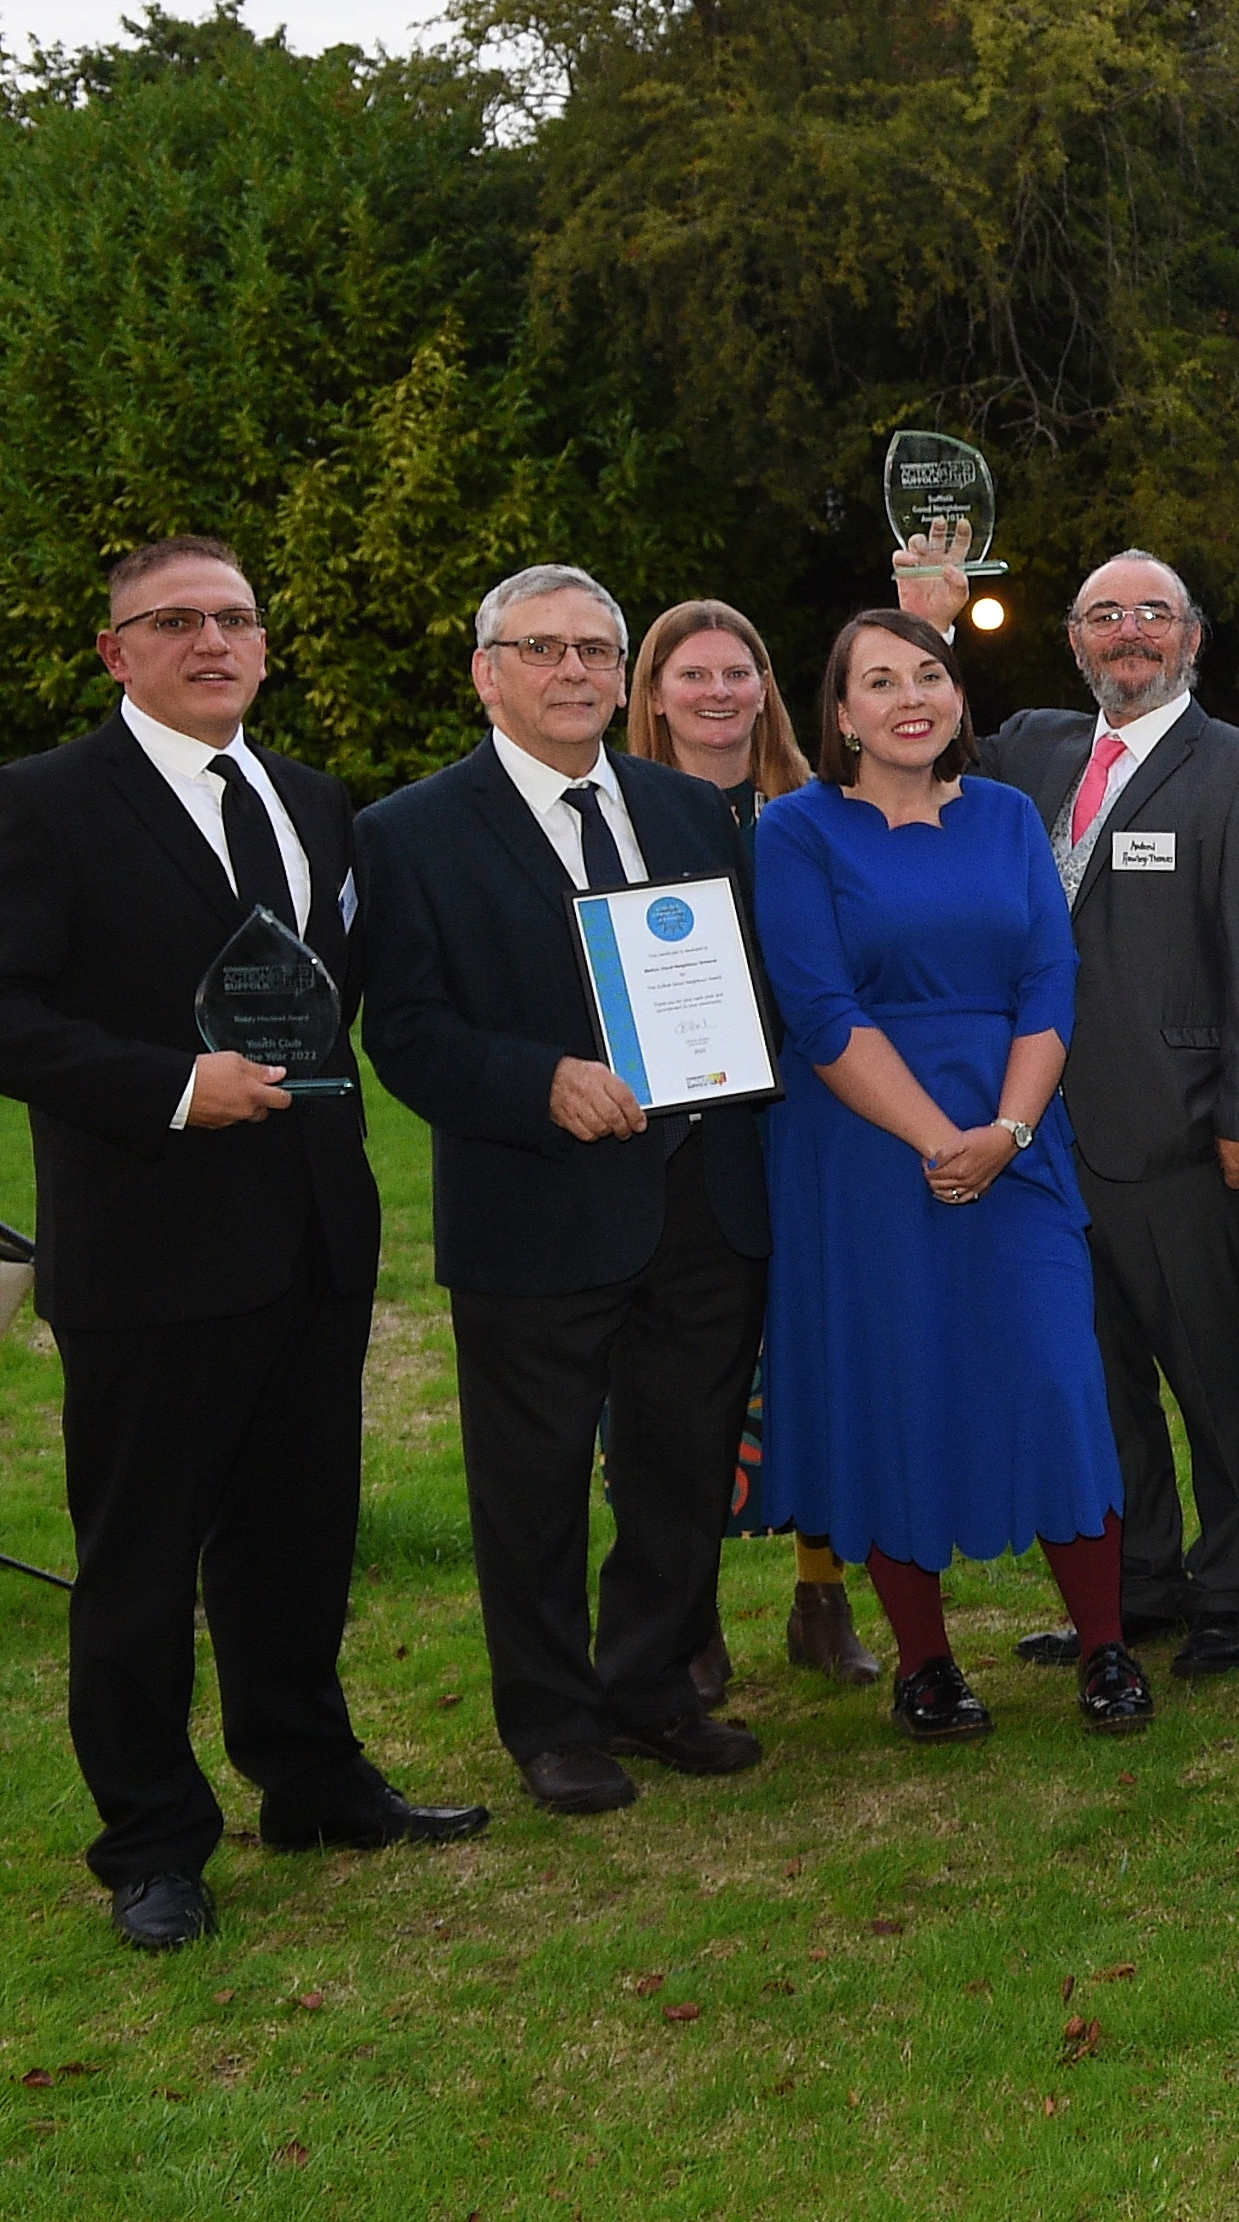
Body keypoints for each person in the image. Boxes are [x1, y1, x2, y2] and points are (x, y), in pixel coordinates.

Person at [0, 538, 485, 1948]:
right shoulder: (42, 805)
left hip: (314, 1235)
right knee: (139, 1562)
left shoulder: (315, 800)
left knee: (298, 1537)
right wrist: (170, 1085)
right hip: (151, 1250)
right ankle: (152, 1837)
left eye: (236, 619)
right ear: (118, 653)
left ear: (265, 645)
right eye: (176, 621)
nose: (213, 642)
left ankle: (311, 1779)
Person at [359, 564, 772, 1817]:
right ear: (488, 673)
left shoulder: (690, 810)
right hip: (535, 1203)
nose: (575, 672)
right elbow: (408, 1032)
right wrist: (539, 1081)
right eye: (543, 649)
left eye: (598, 650)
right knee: (531, 1486)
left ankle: (651, 1685)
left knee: (683, 1464)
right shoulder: (408, 831)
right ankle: (549, 1719)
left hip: (701, 1196)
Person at [754, 610, 1147, 1745]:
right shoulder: (796, 831)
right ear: (839, 715)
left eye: (929, 673)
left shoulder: (1011, 816)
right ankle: (924, 1665)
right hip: (864, 1146)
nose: (910, 697)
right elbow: (822, 1008)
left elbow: (1048, 976)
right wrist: (938, 1139)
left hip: (1016, 1134)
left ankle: (1106, 1644)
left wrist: (1008, 1132)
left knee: (1056, 1374)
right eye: (879, 681)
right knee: (897, 1383)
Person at [976, 555, 1239, 1678]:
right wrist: (924, 616)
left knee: (1211, 1371)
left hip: (1179, 1126)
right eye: (1105, 615)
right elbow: (901, 738)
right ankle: (1142, 1577)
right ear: (1072, 640)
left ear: (1193, 638)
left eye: (1152, 614)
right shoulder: (1029, 753)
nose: (1129, 633)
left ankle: (1235, 1579)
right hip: (1042, 1132)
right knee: (1096, 1373)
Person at [624, 599, 878, 1692]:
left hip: (812, 1120)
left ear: (769, 687)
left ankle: (822, 1592)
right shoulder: (616, 812)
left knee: (816, 1360)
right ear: (655, 692)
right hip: (674, 1139)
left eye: (742, 671)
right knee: (685, 1391)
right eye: (695, 674)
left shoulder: (815, 810)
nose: (721, 692)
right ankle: (688, 1615)